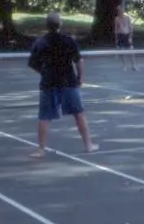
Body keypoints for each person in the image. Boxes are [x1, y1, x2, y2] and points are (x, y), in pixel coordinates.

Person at [28, 11, 96, 158]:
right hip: (68, 82)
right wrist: (80, 78)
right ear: (60, 24)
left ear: (47, 25)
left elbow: (32, 63)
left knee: (44, 116)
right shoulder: (68, 40)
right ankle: (89, 145)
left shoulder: (40, 42)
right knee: (79, 113)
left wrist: (43, 72)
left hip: (48, 83)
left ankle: (41, 150)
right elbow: (79, 61)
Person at [114, 4, 137, 71]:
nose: (120, 11)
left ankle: (133, 65)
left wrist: (130, 37)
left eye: (121, 10)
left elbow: (131, 28)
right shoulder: (117, 19)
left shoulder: (128, 18)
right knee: (122, 51)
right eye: (118, 10)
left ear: (123, 10)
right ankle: (124, 66)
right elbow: (116, 29)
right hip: (120, 35)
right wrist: (116, 39)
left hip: (127, 35)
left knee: (131, 51)